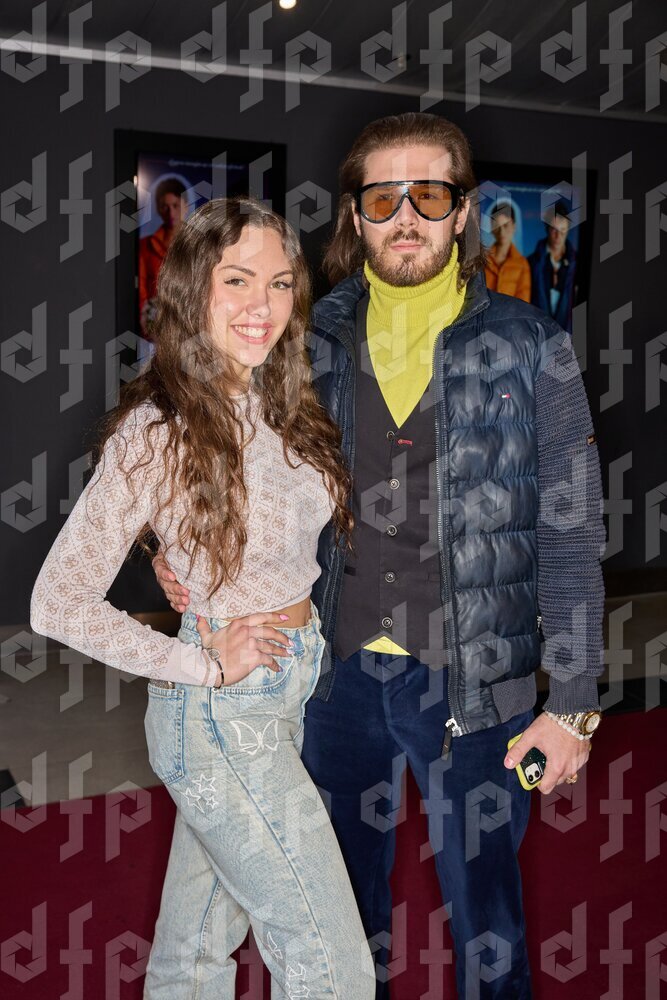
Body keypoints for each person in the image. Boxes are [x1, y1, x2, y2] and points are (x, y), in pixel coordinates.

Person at [153, 114, 605, 1000]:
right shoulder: (303, 336)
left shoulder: (533, 346)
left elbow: (571, 530)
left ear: (461, 211)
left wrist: (575, 701)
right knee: (338, 918)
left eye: (428, 195)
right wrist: (181, 553)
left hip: (479, 680)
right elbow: (226, 461)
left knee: (488, 921)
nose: (406, 216)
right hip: (332, 675)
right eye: (383, 196)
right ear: (355, 215)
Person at [30, 196, 376, 999]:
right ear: (193, 290)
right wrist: (200, 663)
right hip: (223, 713)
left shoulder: (280, 401)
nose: (263, 304)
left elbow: (258, 526)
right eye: (237, 279)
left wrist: (177, 550)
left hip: (288, 684)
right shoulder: (158, 428)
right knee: (330, 963)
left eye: (281, 283)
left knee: (196, 948)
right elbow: (59, 600)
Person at [138, 177, 189, 338]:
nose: (171, 213)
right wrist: (149, 327)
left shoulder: (199, 244)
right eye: (164, 206)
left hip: (192, 328)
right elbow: (141, 291)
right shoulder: (145, 245)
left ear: (186, 206)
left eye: (175, 205)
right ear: (158, 208)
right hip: (156, 329)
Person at [528, 200, 578, 332]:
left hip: (568, 335)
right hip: (537, 332)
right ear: (547, 228)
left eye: (563, 230)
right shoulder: (531, 263)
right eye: (554, 230)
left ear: (568, 230)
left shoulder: (577, 263)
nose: (558, 236)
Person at [484, 201, 531, 301]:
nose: (502, 232)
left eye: (506, 225)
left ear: (514, 226)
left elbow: (523, 303)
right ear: (492, 228)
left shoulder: (522, 264)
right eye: (497, 226)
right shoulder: (482, 260)